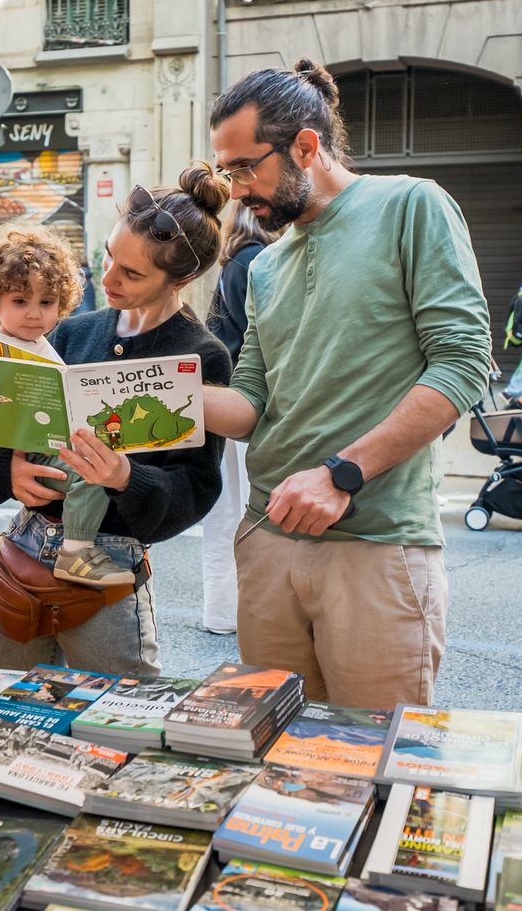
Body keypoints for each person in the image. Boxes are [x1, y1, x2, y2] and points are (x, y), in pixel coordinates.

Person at [203, 57, 491, 709]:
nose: (236, 190)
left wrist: (342, 474)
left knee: (371, 766)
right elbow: (252, 404)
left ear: (306, 146)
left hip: (376, 546)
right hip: (269, 544)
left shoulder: (412, 205)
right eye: (226, 172)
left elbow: (463, 361)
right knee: (279, 767)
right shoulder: (267, 267)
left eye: (245, 167)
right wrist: (159, 393)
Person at [0, 161, 232, 673]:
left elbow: (196, 490)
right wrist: (10, 471)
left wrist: (124, 477)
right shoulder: (70, 332)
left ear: (183, 276)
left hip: (106, 563)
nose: (107, 278)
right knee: (4, 707)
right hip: (24, 549)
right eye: (109, 256)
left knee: (108, 720)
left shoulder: (199, 354)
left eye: (131, 273)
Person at [0, 225, 134, 587]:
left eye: (46, 302)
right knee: (91, 473)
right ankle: (76, 550)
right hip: (35, 454)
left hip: (48, 446)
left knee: (95, 461)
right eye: (19, 301)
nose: (34, 314)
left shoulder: (42, 342)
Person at [201, 201, 280, 634]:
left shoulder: (234, 259)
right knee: (250, 510)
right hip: (245, 399)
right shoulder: (257, 260)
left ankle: (222, 614)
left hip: (226, 395)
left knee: (225, 511)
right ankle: (242, 615)